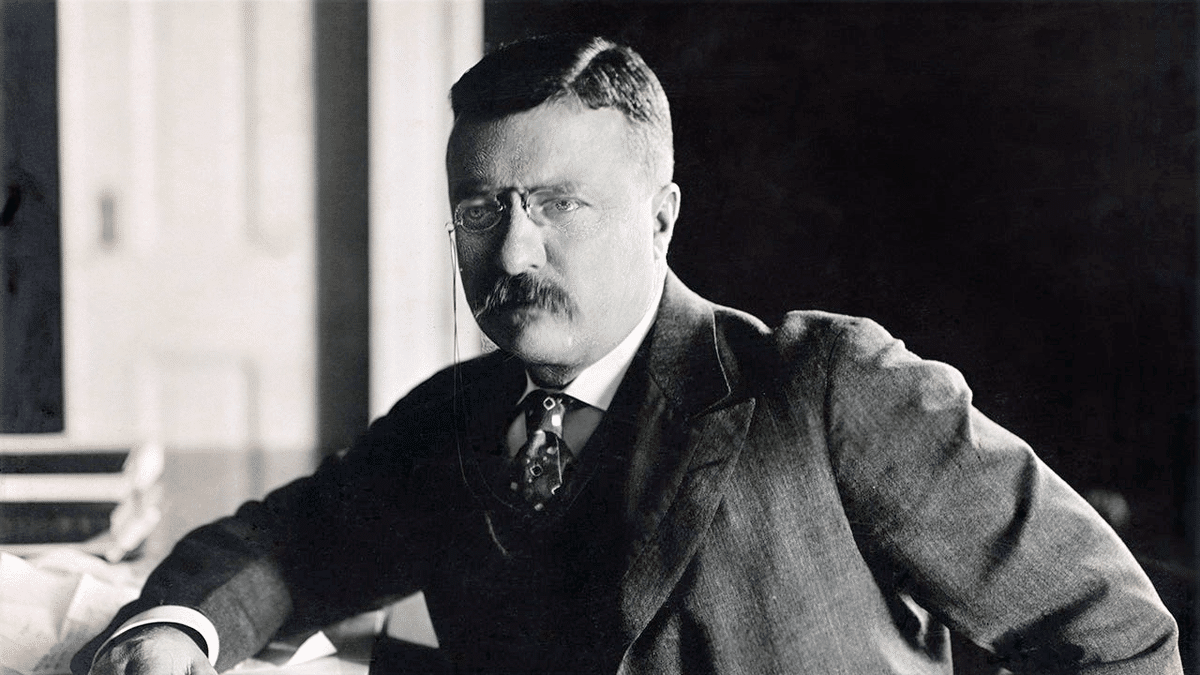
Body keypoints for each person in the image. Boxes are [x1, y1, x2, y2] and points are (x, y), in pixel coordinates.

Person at [74, 34, 1182, 675]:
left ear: (662, 218)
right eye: (479, 209)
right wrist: (178, 632)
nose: (512, 248)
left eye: (560, 205)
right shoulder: (456, 419)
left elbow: (1112, 635)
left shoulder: (824, 388)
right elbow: (290, 546)